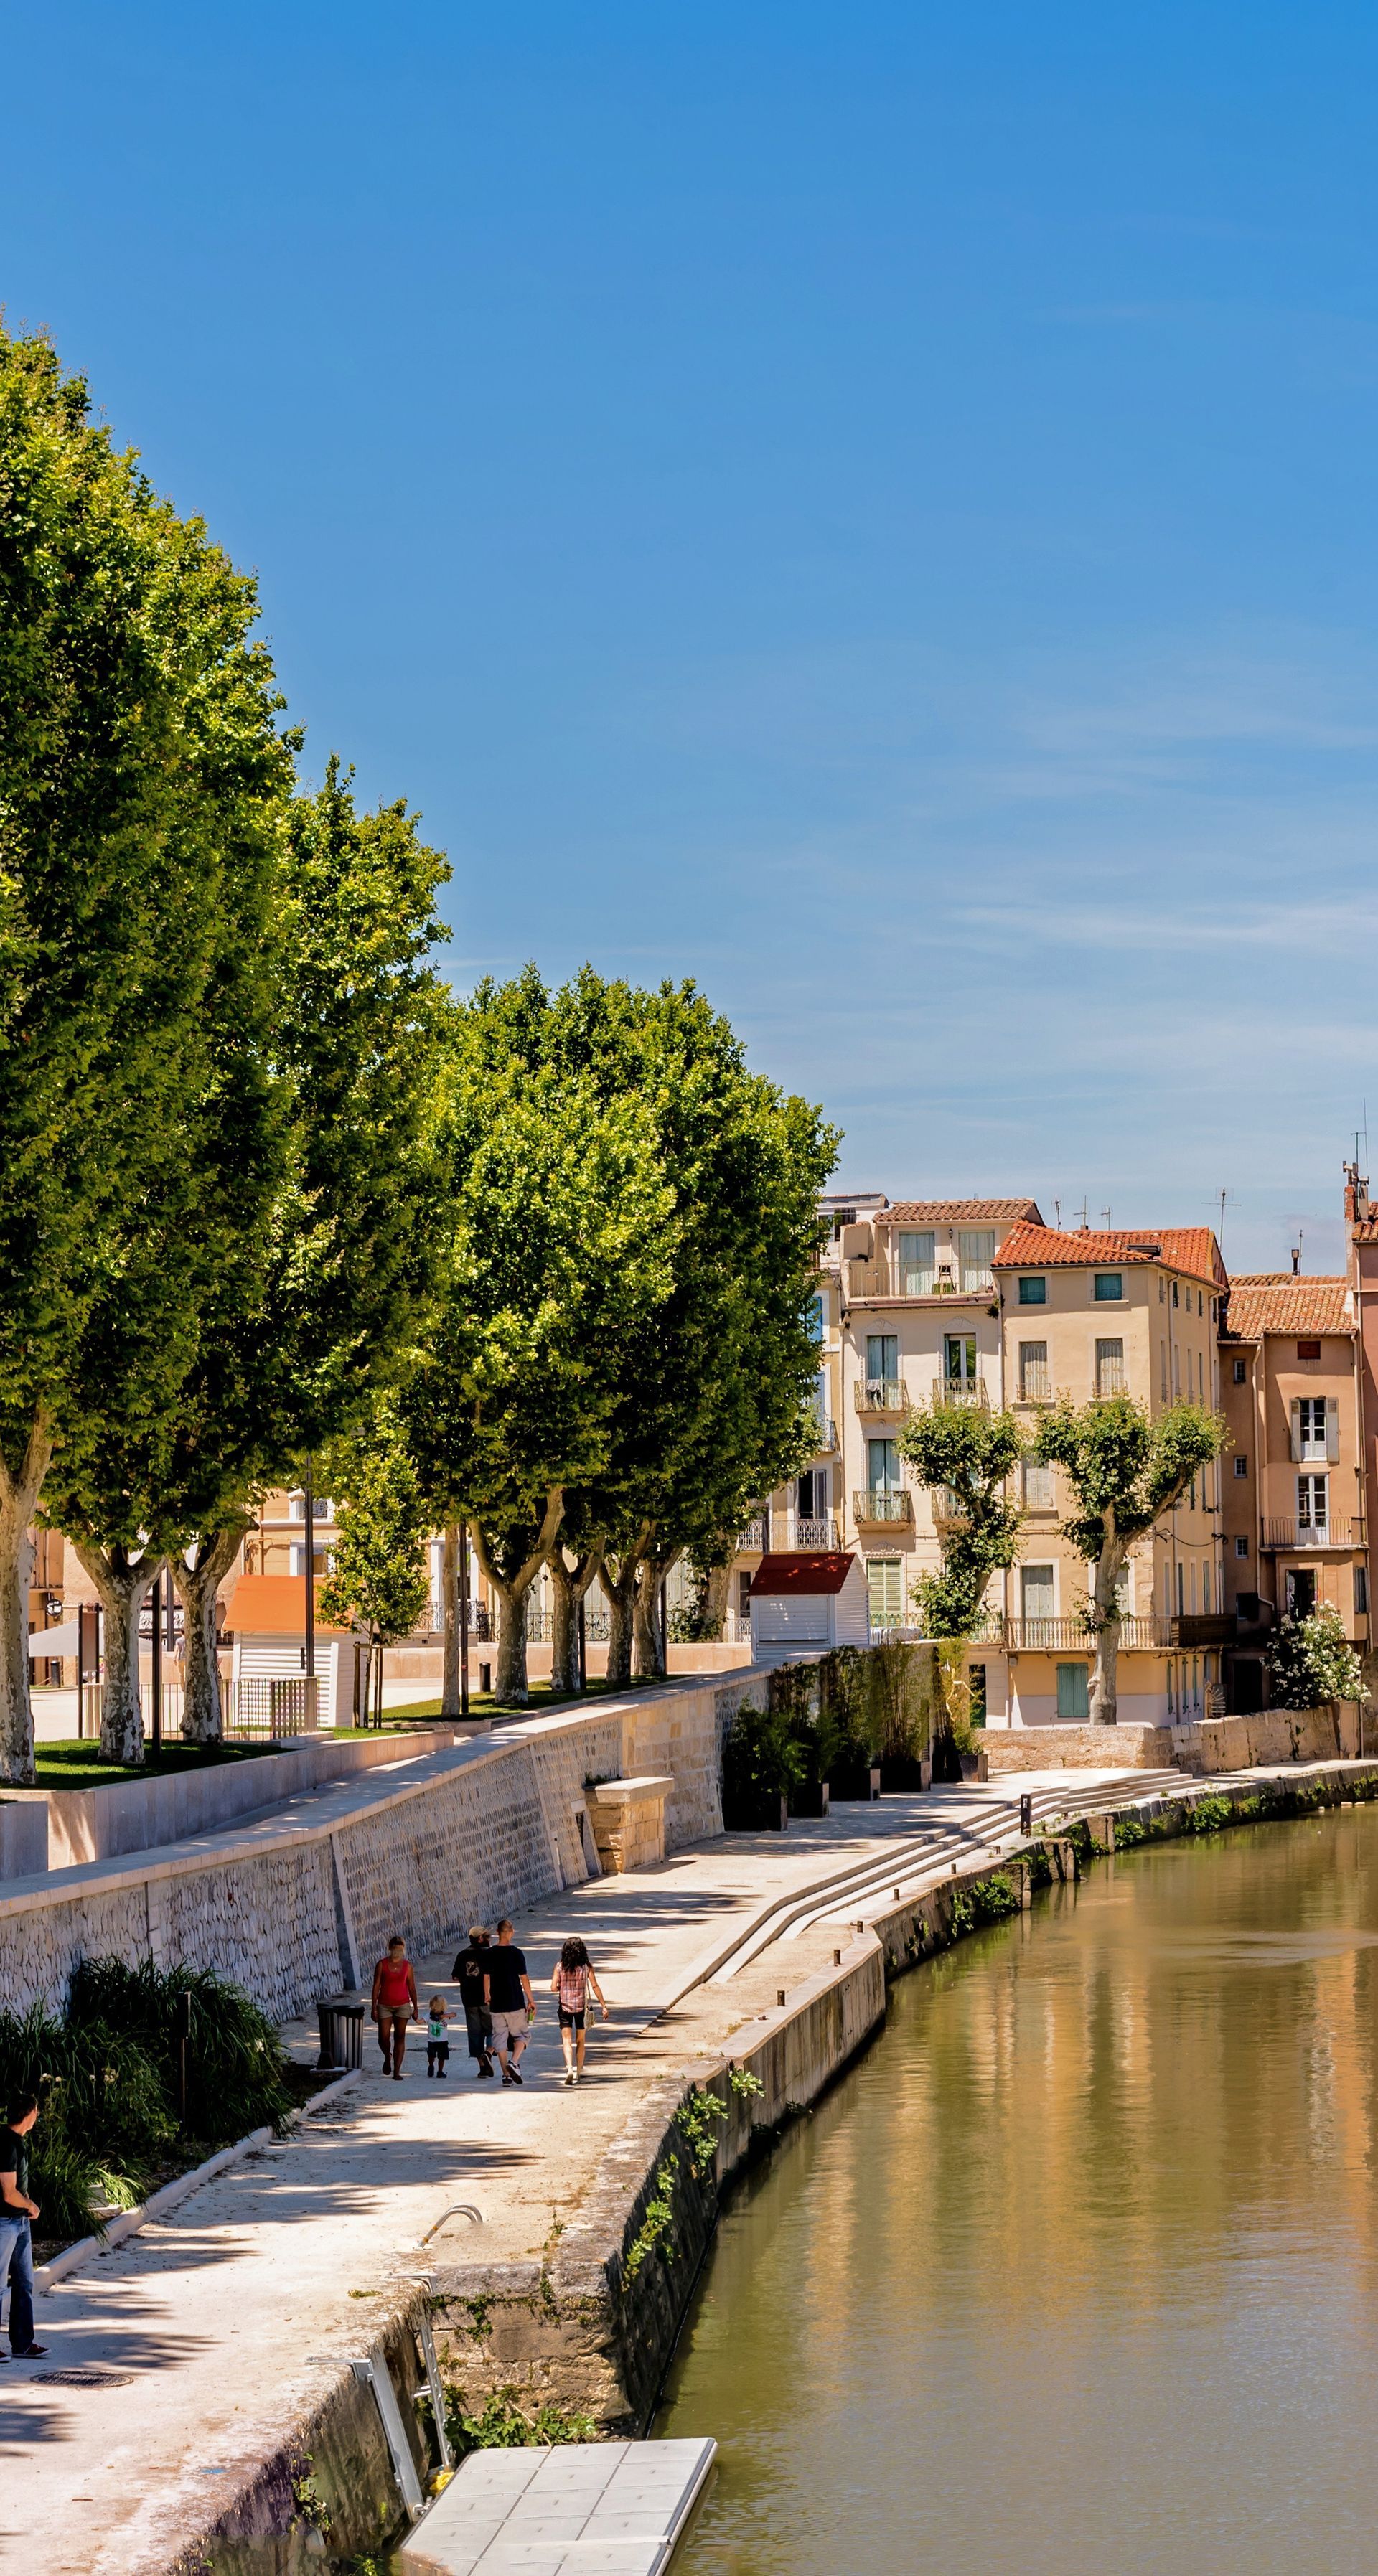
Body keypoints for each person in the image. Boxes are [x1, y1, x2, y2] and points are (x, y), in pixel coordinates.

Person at [0, 2093, 48, 2361]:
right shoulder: (6, 2144)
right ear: (28, 2114)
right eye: (37, 2111)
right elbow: (8, 2192)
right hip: (5, 2222)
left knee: (24, 2282)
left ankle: (23, 2343)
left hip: (19, 2224)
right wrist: (31, 2206)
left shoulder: (16, 2142)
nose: (38, 2115)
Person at [550, 1935, 607, 2087]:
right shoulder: (587, 1967)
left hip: (564, 2007)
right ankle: (580, 2070)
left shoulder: (559, 1967)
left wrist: (561, 1987)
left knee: (566, 2040)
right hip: (581, 2008)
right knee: (580, 2040)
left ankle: (569, 2068)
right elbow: (595, 1986)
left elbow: (553, 1988)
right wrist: (603, 2005)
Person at [483, 1917, 535, 2084]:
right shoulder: (517, 1953)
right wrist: (531, 2000)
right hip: (515, 2002)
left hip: (497, 2004)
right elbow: (524, 1979)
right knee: (523, 2035)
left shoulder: (489, 1953)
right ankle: (514, 2062)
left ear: (497, 1933)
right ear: (512, 1933)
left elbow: (487, 1977)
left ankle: (506, 2076)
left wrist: (487, 1995)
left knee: (500, 2039)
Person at [370, 1935, 418, 2080]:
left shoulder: (407, 1966)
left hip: (403, 2005)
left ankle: (397, 2071)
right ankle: (387, 2055)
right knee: (383, 2037)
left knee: (400, 2037)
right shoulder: (382, 1965)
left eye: (400, 1947)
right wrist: (373, 2007)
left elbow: (411, 1987)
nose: (397, 1950)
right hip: (384, 2005)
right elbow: (376, 1986)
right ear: (390, 1948)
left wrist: (415, 2007)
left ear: (403, 1949)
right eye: (395, 1947)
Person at [451, 1925, 495, 2077]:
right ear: (481, 1938)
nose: (489, 1939)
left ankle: (482, 2067)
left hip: (469, 2000)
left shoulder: (462, 1954)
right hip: (487, 1998)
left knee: (475, 2033)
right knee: (493, 2029)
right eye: (487, 1936)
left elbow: (455, 1976)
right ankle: (489, 2053)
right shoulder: (490, 1954)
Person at [425, 1996, 451, 2079]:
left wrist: (444, 2016)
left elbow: (454, 2014)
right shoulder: (429, 2016)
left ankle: (436, 2069)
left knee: (437, 2056)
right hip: (437, 2040)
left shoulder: (444, 2014)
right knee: (438, 2057)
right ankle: (435, 2069)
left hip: (437, 2040)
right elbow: (421, 2021)